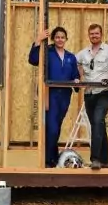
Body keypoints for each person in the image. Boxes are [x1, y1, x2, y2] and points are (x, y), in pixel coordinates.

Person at [28, 26, 80, 168]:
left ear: (66, 39)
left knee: (56, 127)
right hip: (49, 94)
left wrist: (76, 81)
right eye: (57, 37)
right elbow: (33, 59)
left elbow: (75, 76)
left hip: (64, 96)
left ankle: (52, 157)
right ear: (53, 39)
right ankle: (48, 160)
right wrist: (38, 40)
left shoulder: (70, 57)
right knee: (52, 128)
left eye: (62, 37)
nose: (60, 39)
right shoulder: (47, 52)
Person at [76, 23, 108, 170]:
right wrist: (79, 76)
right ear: (89, 35)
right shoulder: (82, 54)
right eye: (92, 34)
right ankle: (106, 161)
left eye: (96, 33)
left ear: (101, 34)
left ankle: (96, 159)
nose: (94, 36)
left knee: (98, 120)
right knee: (97, 124)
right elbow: (73, 64)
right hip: (89, 94)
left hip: (105, 92)